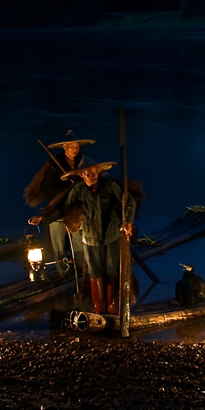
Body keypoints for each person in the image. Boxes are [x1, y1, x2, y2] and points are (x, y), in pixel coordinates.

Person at [60, 158, 136, 315]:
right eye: (88, 174)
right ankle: (98, 304)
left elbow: (130, 202)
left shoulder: (109, 186)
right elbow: (67, 210)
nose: (92, 176)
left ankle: (111, 304)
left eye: (95, 173)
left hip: (110, 233)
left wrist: (127, 221)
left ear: (98, 173)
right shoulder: (77, 190)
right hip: (89, 236)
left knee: (111, 269)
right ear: (82, 175)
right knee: (94, 270)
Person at [24, 130, 94, 273]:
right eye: (71, 146)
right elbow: (49, 187)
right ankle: (62, 269)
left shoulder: (83, 161)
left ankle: (81, 267)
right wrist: (67, 190)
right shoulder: (54, 164)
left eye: (77, 146)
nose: (75, 149)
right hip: (58, 205)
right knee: (57, 239)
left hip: (77, 208)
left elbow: (92, 182)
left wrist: (79, 188)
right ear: (64, 147)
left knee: (79, 239)